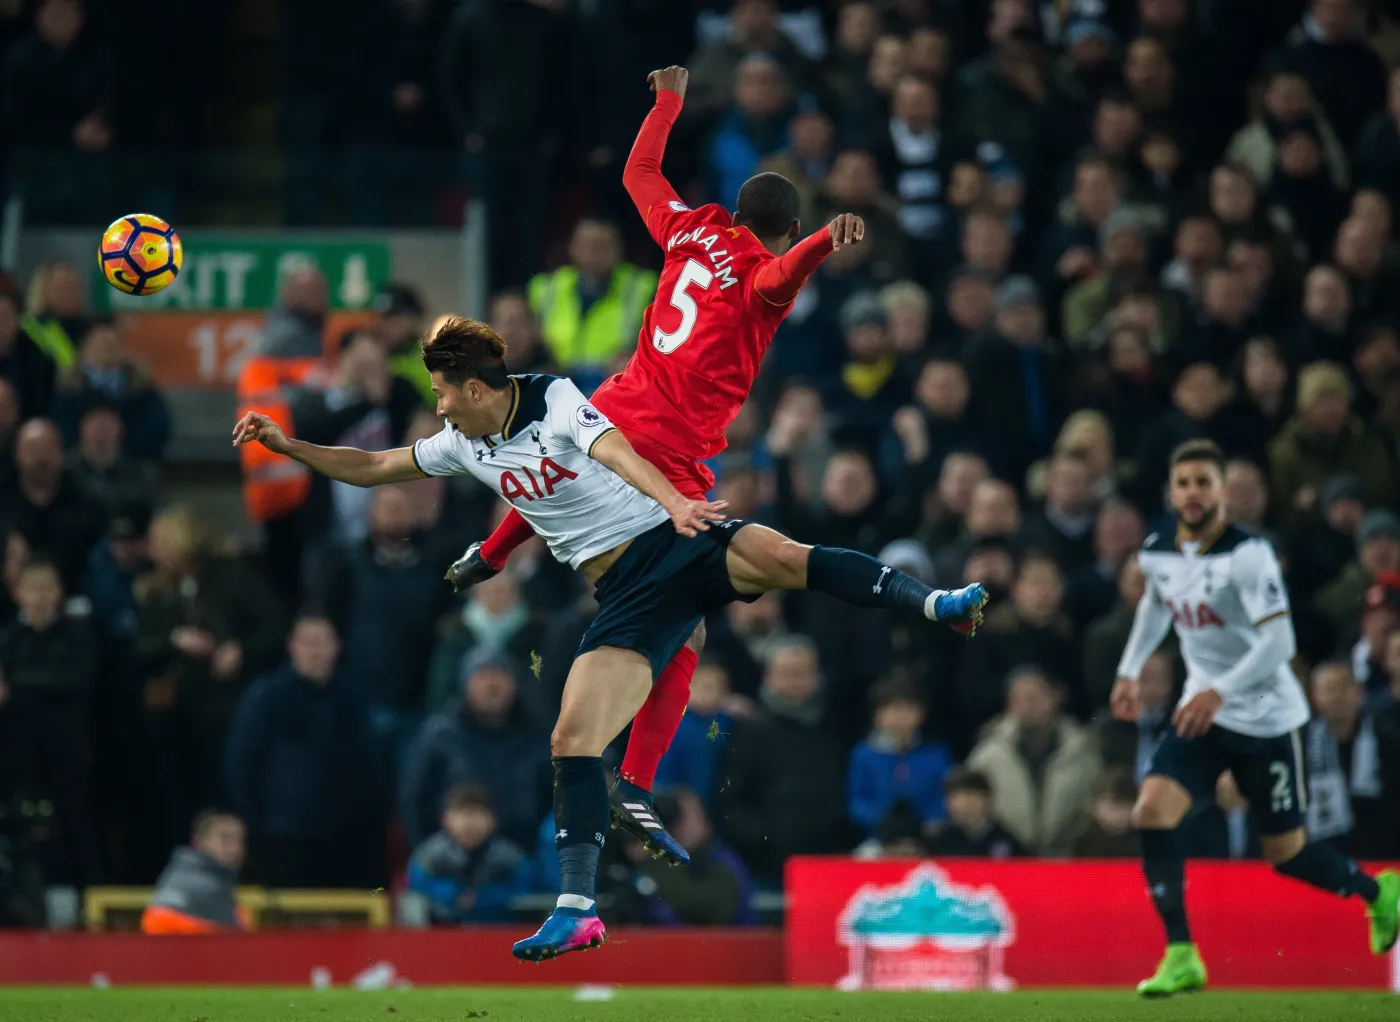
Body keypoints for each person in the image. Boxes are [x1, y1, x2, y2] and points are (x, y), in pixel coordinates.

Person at [232, 315, 987, 962]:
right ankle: (577, 907)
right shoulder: (462, 444)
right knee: (572, 736)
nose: (435, 406)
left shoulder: (554, 397)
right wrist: (289, 446)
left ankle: (936, 603)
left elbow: (615, 452)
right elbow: (370, 467)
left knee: (788, 558)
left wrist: (678, 505)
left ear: (471, 387)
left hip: (675, 538)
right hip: (629, 596)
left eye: (439, 391)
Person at [444, 65, 931, 868]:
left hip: (614, 408)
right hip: (666, 453)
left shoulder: (689, 230)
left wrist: (667, 100)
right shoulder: (754, 274)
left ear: (736, 211)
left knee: (554, 482)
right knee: (691, 619)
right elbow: (777, 277)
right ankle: (636, 780)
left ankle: (487, 554)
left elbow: (640, 172)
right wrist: (821, 246)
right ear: (782, 225)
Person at [1111, 439, 1399, 997]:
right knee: (1150, 811)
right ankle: (1181, 954)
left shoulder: (1249, 555)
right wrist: (1129, 671)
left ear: (1221, 491)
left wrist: (1220, 691)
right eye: (1183, 483)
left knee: (1286, 855)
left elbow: (1279, 642)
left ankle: (1375, 893)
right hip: (1203, 712)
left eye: (1203, 482)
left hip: (1267, 717)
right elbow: (1154, 605)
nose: (1192, 493)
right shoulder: (1157, 552)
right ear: (1171, 491)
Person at [406, 784, 532, 925]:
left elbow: (524, 886)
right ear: (446, 819)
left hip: (496, 927)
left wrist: (486, 896)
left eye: (477, 815)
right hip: (443, 927)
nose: (469, 824)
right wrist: (448, 892)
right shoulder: (431, 853)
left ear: (493, 820)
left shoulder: (507, 855)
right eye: (462, 815)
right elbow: (417, 882)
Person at [140, 809, 248, 934]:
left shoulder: (222, 882)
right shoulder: (184, 880)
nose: (235, 847)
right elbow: (155, 921)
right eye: (225, 838)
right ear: (200, 841)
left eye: (240, 840)